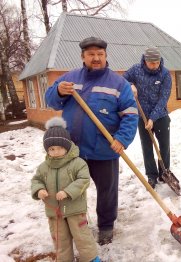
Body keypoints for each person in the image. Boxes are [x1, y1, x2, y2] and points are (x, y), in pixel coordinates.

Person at [45, 36, 138, 245]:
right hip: (73, 151)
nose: (96, 58)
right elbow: (50, 100)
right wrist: (58, 90)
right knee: (70, 191)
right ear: (83, 56)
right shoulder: (70, 78)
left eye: (100, 54)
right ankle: (74, 224)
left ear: (105, 56)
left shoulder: (118, 83)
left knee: (107, 191)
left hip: (104, 149)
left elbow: (131, 114)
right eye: (91, 54)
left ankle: (106, 226)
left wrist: (122, 139)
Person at [31, 117, 101, 262]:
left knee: (82, 237)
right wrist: (39, 190)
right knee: (59, 239)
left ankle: (91, 258)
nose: (56, 152)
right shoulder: (44, 167)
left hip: (75, 209)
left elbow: (84, 180)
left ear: (67, 146)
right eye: (51, 149)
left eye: (60, 148)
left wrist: (68, 191)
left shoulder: (77, 163)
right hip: (55, 213)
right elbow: (36, 180)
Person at [123, 47, 172, 189]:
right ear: (145, 61)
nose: (155, 66)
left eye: (157, 63)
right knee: (147, 147)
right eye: (151, 63)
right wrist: (130, 85)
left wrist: (152, 118)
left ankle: (164, 172)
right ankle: (152, 175)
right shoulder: (136, 70)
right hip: (141, 115)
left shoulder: (165, 74)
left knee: (164, 146)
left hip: (161, 116)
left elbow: (164, 98)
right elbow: (122, 80)